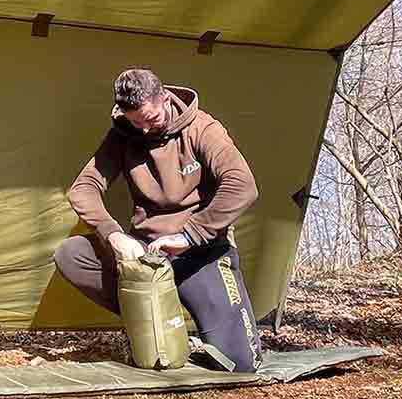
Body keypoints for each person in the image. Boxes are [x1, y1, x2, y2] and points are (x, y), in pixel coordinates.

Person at [54, 68, 263, 372]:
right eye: (135, 122)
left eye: (150, 120)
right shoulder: (123, 135)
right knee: (71, 254)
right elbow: (83, 189)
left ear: (164, 98)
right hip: (148, 259)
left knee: (240, 364)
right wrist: (114, 235)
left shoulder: (203, 129)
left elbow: (242, 185)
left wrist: (189, 236)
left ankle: (181, 326)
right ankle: (157, 322)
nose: (143, 130)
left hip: (201, 254)